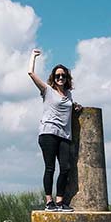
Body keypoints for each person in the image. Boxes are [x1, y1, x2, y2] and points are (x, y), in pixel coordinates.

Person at [28, 48, 82, 211]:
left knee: (65, 167)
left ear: (67, 79)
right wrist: (33, 56)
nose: (60, 78)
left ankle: (60, 202)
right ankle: (49, 202)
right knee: (50, 167)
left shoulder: (69, 95)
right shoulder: (47, 91)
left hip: (65, 135)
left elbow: (67, 107)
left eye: (63, 76)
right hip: (48, 133)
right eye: (57, 75)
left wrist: (75, 107)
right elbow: (30, 73)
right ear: (53, 77)